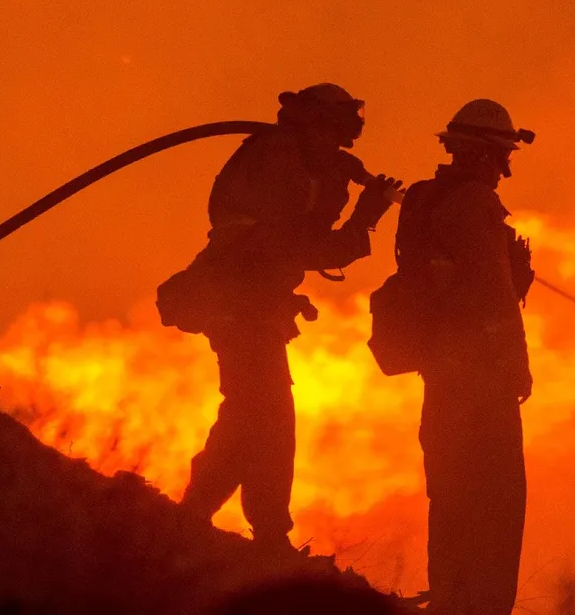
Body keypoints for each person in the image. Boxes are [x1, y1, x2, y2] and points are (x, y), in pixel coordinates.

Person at [158, 83, 399, 552]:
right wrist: (362, 220)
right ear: (318, 122)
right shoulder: (277, 158)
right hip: (236, 301)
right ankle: (258, 530)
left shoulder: (301, 161)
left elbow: (298, 236)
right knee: (265, 415)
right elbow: (292, 242)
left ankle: (201, 512)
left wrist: (343, 189)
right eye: (335, 129)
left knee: (253, 415)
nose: (341, 141)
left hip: (254, 305)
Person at [391, 99, 535, 615]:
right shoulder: (475, 203)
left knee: (449, 497)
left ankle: (450, 600)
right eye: (501, 158)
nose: (503, 171)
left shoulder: (425, 199)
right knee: (496, 501)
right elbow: (490, 297)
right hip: (482, 379)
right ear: (482, 156)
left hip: (440, 372)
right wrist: (517, 363)